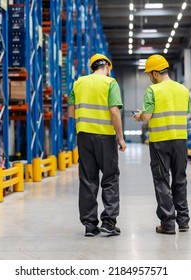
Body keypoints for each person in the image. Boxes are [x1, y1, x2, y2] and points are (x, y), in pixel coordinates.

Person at [68, 53, 126, 237]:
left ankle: (90, 226)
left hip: (84, 137)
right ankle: (108, 223)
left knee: (87, 179)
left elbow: (71, 112)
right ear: (107, 66)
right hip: (105, 137)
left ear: (92, 67)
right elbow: (114, 112)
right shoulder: (110, 83)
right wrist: (120, 137)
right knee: (109, 178)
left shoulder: (79, 83)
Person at [133, 54, 190, 235]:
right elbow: (184, 112)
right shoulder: (183, 90)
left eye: (150, 73)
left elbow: (147, 117)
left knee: (162, 181)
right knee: (180, 180)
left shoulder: (153, 90)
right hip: (180, 141)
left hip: (159, 143)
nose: (149, 77)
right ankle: (183, 221)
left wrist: (139, 115)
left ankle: (167, 223)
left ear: (156, 73)